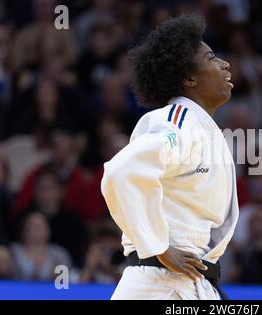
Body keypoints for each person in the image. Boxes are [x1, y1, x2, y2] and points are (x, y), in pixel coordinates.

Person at [100, 14, 239, 300]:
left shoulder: (201, 127)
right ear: (189, 78)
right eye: (211, 58)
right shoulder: (179, 121)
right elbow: (121, 171)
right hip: (161, 284)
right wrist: (158, 246)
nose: (224, 64)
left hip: (188, 283)